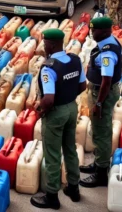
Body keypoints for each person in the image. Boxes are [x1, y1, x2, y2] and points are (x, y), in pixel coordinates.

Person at [31, 28, 84, 209]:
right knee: (70, 149)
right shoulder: (75, 60)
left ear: (51, 45)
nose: (43, 47)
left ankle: (52, 196)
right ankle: (73, 188)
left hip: (56, 113)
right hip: (71, 109)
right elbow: (82, 85)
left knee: (52, 154)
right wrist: (68, 96)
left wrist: (41, 110)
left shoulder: (49, 68)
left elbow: (49, 99)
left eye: (44, 44)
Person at [80, 17, 122, 188]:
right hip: (100, 91)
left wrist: (98, 103)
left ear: (105, 31)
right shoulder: (108, 43)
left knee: (102, 132)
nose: (92, 33)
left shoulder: (107, 52)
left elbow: (106, 80)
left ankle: (101, 173)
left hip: (102, 93)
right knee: (99, 129)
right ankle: (98, 163)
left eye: (95, 31)